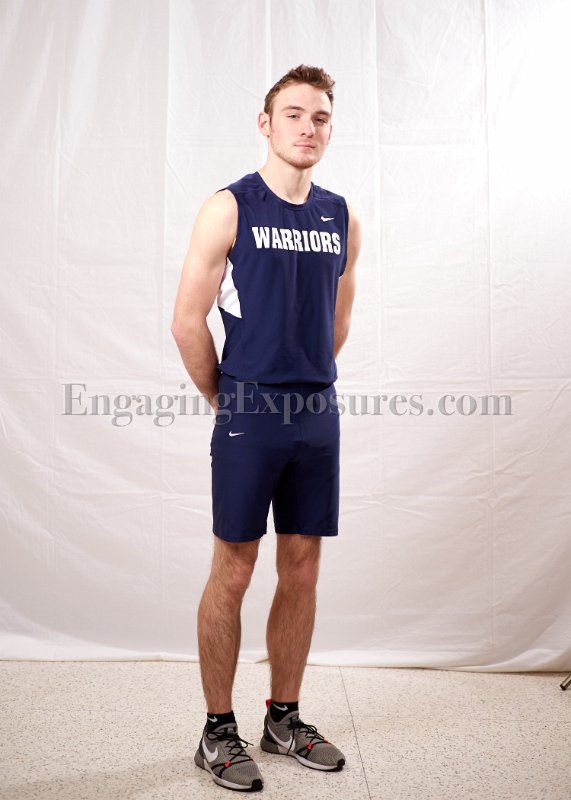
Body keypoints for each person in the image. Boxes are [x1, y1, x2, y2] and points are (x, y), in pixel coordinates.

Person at [171, 64, 361, 792]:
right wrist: (227, 397)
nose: (307, 128)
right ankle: (217, 731)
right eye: (294, 115)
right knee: (235, 567)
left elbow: (337, 321)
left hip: (316, 410)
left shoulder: (340, 216)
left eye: (320, 118)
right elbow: (187, 321)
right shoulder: (229, 207)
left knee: (303, 566)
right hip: (249, 408)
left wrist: (305, 378)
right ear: (266, 123)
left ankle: (283, 718)